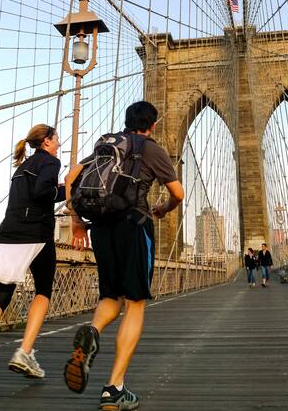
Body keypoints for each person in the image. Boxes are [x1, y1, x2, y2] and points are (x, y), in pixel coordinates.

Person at [64, 101, 184, 411]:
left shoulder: (107, 143)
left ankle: (92, 330)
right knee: (134, 302)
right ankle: (113, 388)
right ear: (153, 124)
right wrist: (164, 209)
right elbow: (178, 194)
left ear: (127, 121)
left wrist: (77, 220)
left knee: (110, 297)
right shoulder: (151, 148)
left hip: (102, 228)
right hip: (134, 226)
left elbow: (72, 176)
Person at [0, 124, 64, 377]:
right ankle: (25, 352)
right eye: (57, 139)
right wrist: (69, 189)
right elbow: (43, 192)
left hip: (8, 233)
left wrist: (61, 189)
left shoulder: (22, 167)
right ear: (47, 142)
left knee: (0, 296)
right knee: (43, 291)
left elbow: (32, 193)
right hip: (35, 235)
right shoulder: (51, 163)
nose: (59, 144)